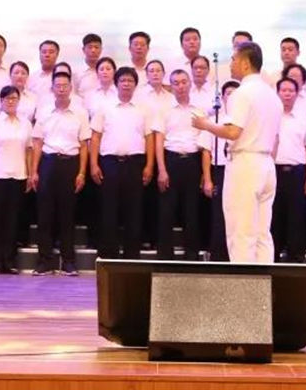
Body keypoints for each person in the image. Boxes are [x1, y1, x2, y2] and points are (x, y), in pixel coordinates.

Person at [191, 42, 282, 265]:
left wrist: (205, 124)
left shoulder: (242, 93)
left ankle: (245, 283)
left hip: (245, 162)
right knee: (262, 232)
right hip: (266, 163)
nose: (230, 64)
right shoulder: (272, 95)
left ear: (245, 63)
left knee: (240, 230)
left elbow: (233, 131)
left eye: (233, 59)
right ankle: (264, 280)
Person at [90, 67, 154, 259]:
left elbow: (149, 138)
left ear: (135, 85)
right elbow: (95, 137)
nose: (126, 84)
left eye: (130, 81)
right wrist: (93, 164)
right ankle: (108, 257)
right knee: (108, 211)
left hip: (135, 164)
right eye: (123, 80)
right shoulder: (105, 107)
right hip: (109, 163)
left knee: (134, 211)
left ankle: (131, 257)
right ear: (116, 83)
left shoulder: (144, 109)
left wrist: (149, 166)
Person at [31, 71, 90, 275]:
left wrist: (82, 173)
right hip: (48, 163)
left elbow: (84, 145)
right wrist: (34, 171)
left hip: (70, 164)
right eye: (58, 85)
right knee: (45, 214)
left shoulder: (80, 113)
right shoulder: (44, 111)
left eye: (65, 85)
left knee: (67, 215)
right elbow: (37, 143)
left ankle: (68, 261)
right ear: (52, 88)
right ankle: (44, 260)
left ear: (71, 88)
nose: (62, 89)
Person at [0, 86, 33, 274]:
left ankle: (9, 261)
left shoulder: (25, 124)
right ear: (1, 101)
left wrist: (29, 174)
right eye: (7, 99)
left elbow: (28, 151)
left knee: (13, 221)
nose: (11, 102)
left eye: (14, 98)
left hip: (18, 176)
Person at [153, 69, 204, 260]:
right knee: (166, 211)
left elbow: (204, 142)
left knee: (192, 211)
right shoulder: (164, 110)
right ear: (171, 86)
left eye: (184, 82)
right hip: (171, 160)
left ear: (190, 83)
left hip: (192, 161)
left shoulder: (199, 111)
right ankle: (165, 256)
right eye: (176, 83)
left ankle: (192, 255)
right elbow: (159, 141)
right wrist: (162, 170)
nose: (180, 86)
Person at [272, 76, 306, 264]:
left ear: (297, 94)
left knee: (297, 219)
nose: (287, 94)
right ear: (277, 93)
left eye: (291, 91)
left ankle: (296, 261)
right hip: (273, 172)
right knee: (274, 218)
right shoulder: (270, 117)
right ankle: (272, 260)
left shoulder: (303, 119)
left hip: (297, 173)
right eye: (284, 90)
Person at [198, 81, 237, 262]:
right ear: (222, 97)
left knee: (237, 214)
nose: (232, 96)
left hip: (239, 170)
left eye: (235, 93)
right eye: (228, 93)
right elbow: (206, 151)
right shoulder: (214, 120)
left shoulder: (244, 119)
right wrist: (207, 179)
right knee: (219, 215)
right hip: (220, 170)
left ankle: (235, 255)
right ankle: (218, 256)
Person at [75, 33, 104, 98]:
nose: (93, 50)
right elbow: (74, 94)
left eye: (96, 47)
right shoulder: (76, 72)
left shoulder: (107, 71)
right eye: (90, 47)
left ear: (101, 49)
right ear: (83, 49)